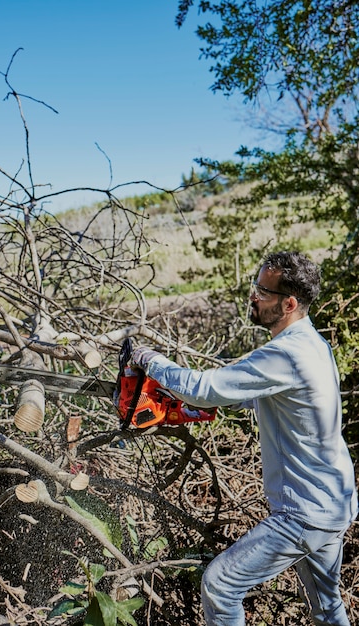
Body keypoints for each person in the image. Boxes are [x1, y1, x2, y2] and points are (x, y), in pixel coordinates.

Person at [131, 251, 357, 626]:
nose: (252, 296)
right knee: (327, 608)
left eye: (261, 291)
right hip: (334, 502)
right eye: (254, 286)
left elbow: (204, 388)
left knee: (221, 585)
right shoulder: (314, 345)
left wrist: (149, 359)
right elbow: (273, 398)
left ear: (288, 303)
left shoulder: (286, 354)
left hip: (304, 513)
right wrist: (196, 407)